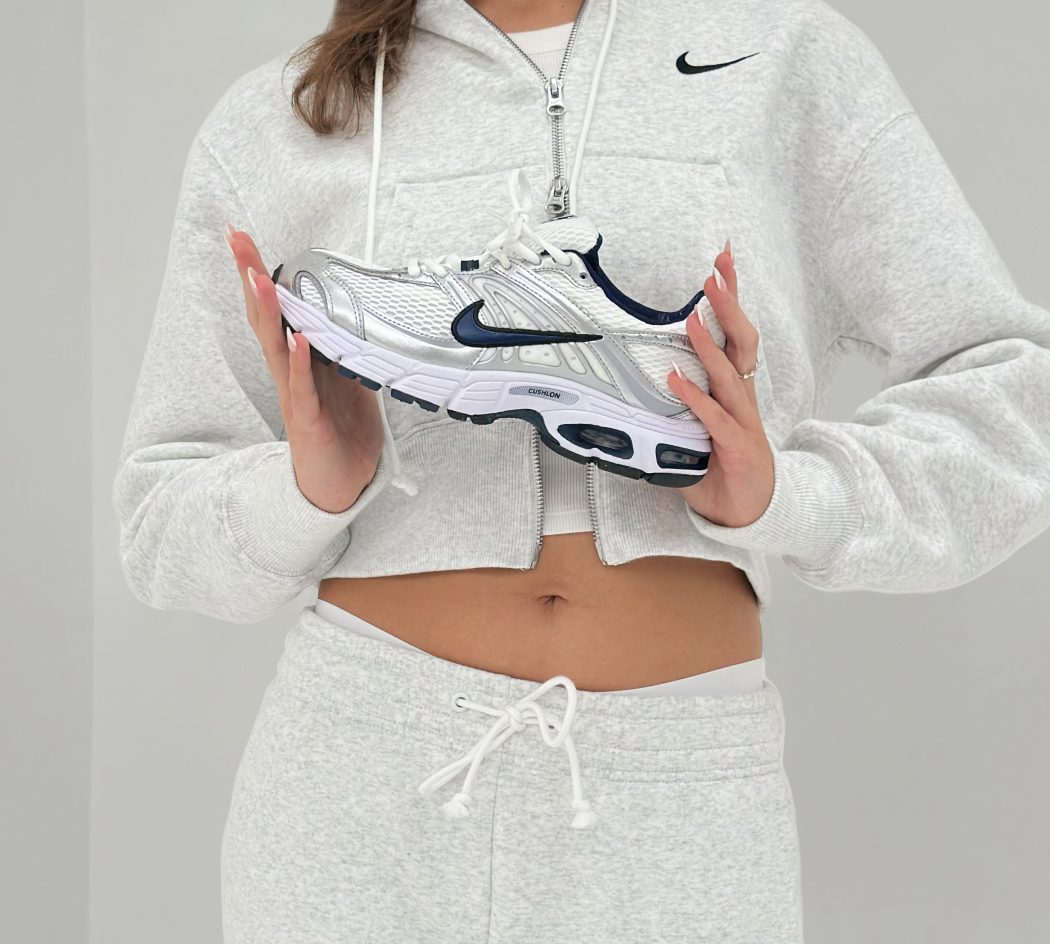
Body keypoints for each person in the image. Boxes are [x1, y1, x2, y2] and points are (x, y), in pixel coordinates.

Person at [111, 0, 1050, 940]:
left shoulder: (782, 52)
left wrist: (787, 497)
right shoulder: (289, 113)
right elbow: (160, 522)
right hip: (362, 772)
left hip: (677, 790)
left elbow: (1015, 411)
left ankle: (583, 330)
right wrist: (309, 488)